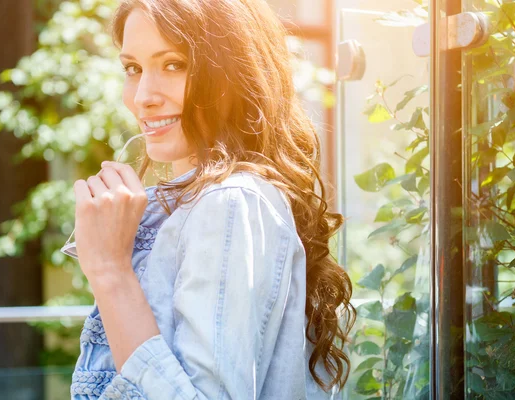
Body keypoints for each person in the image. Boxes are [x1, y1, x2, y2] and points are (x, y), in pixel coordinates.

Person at [70, 0, 355, 398]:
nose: (142, 97)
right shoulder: (204, 203)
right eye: (133, 68)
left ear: (230, 74)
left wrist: (111, 274)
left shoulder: (230, 202)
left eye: (173, 64)